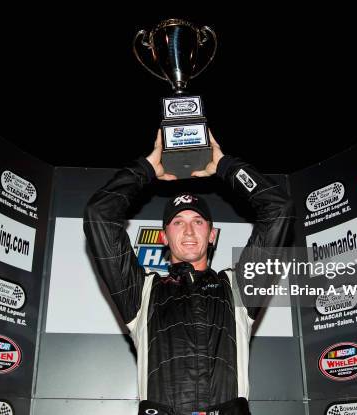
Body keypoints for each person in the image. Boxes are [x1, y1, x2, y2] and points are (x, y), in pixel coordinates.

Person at [83, 130, 293, 415]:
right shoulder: (140, 292)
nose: (189, 230)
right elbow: (100, 215)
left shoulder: (239, 286)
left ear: (212, 235)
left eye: (198, 221)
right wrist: (145, 170)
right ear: (164, 238)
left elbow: (279, 209)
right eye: (178, 223)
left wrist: (224, 165)